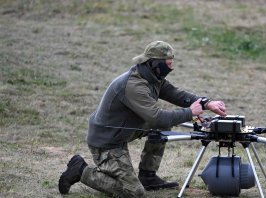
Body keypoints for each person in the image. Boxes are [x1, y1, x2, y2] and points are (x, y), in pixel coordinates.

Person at [58, 41, 227, 197]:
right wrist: (190, 112)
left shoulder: (153, 77)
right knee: (134, 193)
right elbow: (156, 118)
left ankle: (148, 176)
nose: (171, 68)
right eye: (168, 64)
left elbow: (175, 94)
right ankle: (81, 170)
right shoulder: (134, 85)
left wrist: (206, 103)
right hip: (107, 141)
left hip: (124, 130)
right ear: (155, 64)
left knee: (162, 125)